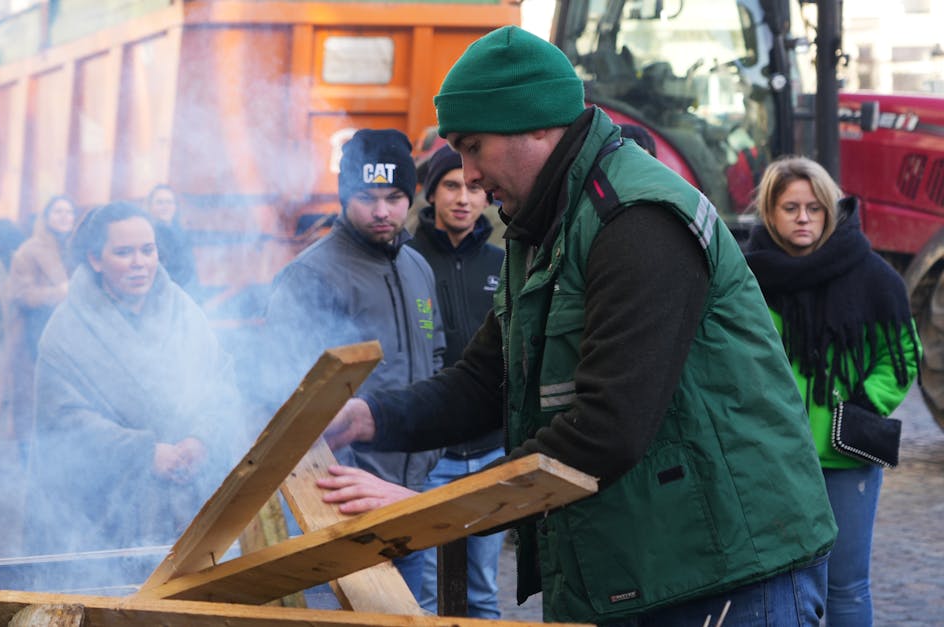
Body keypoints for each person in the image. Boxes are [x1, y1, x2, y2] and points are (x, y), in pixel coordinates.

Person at [320, 26, 837, 625]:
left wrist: (434, 508)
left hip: (725, 573)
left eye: (473, 147)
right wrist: (369, 418)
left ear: (535, 126)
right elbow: (485, 381)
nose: (468, 175)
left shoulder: (637, 221)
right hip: (638, 564)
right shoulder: (543, 225)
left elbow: (605, 431)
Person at [264, 128, 446, 594]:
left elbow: (437, 358)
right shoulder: (310, 275)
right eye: (367, 197)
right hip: (341, 497)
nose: (382, 211)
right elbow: (286, 391)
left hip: (410, 493)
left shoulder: (417, 266)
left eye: (395, 196)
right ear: (346, 196)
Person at [743, 157, 919, 627]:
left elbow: (902, 353)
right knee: (779, 585)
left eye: (815, 208)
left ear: (830, 211)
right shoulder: (745, 279)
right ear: (770, 212)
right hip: (772, 457)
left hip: (846, 457)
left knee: (846, 585)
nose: (804, 218)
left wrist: (861, 405)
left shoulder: (873, 276)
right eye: (791, 207)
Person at [24, 202, 245, 556]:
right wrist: (142, 453)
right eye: (124, 252)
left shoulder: (184, 310)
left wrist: (201, 438)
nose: (139, 262)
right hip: (104, 517)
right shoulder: (66, 331)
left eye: (148, 249)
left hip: (188, 503)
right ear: (96, 259)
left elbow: (220, 383)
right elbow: (64, 421)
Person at [407, 145, 505, 618]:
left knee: (483, 593)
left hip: (490, 452)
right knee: (424, 596)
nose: (463, 198)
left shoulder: (503, 264)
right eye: (450, 185)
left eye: (472, 186)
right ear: (431, 194)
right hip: (432, 458)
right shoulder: (407, 262)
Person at [7, 195, 76, 460]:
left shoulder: (76, 250)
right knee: (31, 404)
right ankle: (29, 462)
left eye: (68, 212)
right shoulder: (28, 251)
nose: (64, 217)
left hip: (67, 339)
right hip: (33, 337)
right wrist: (58, 292)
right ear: (46, 217)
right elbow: (20, 294)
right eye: (58, 211)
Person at [146, 184, 199, 294]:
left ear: (175, 206)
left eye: (169, 202)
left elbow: (191, 270)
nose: (165, 206)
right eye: (160, 202)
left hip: (187, 294)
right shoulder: (148, 236)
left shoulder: (182, 234)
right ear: (150, 206)